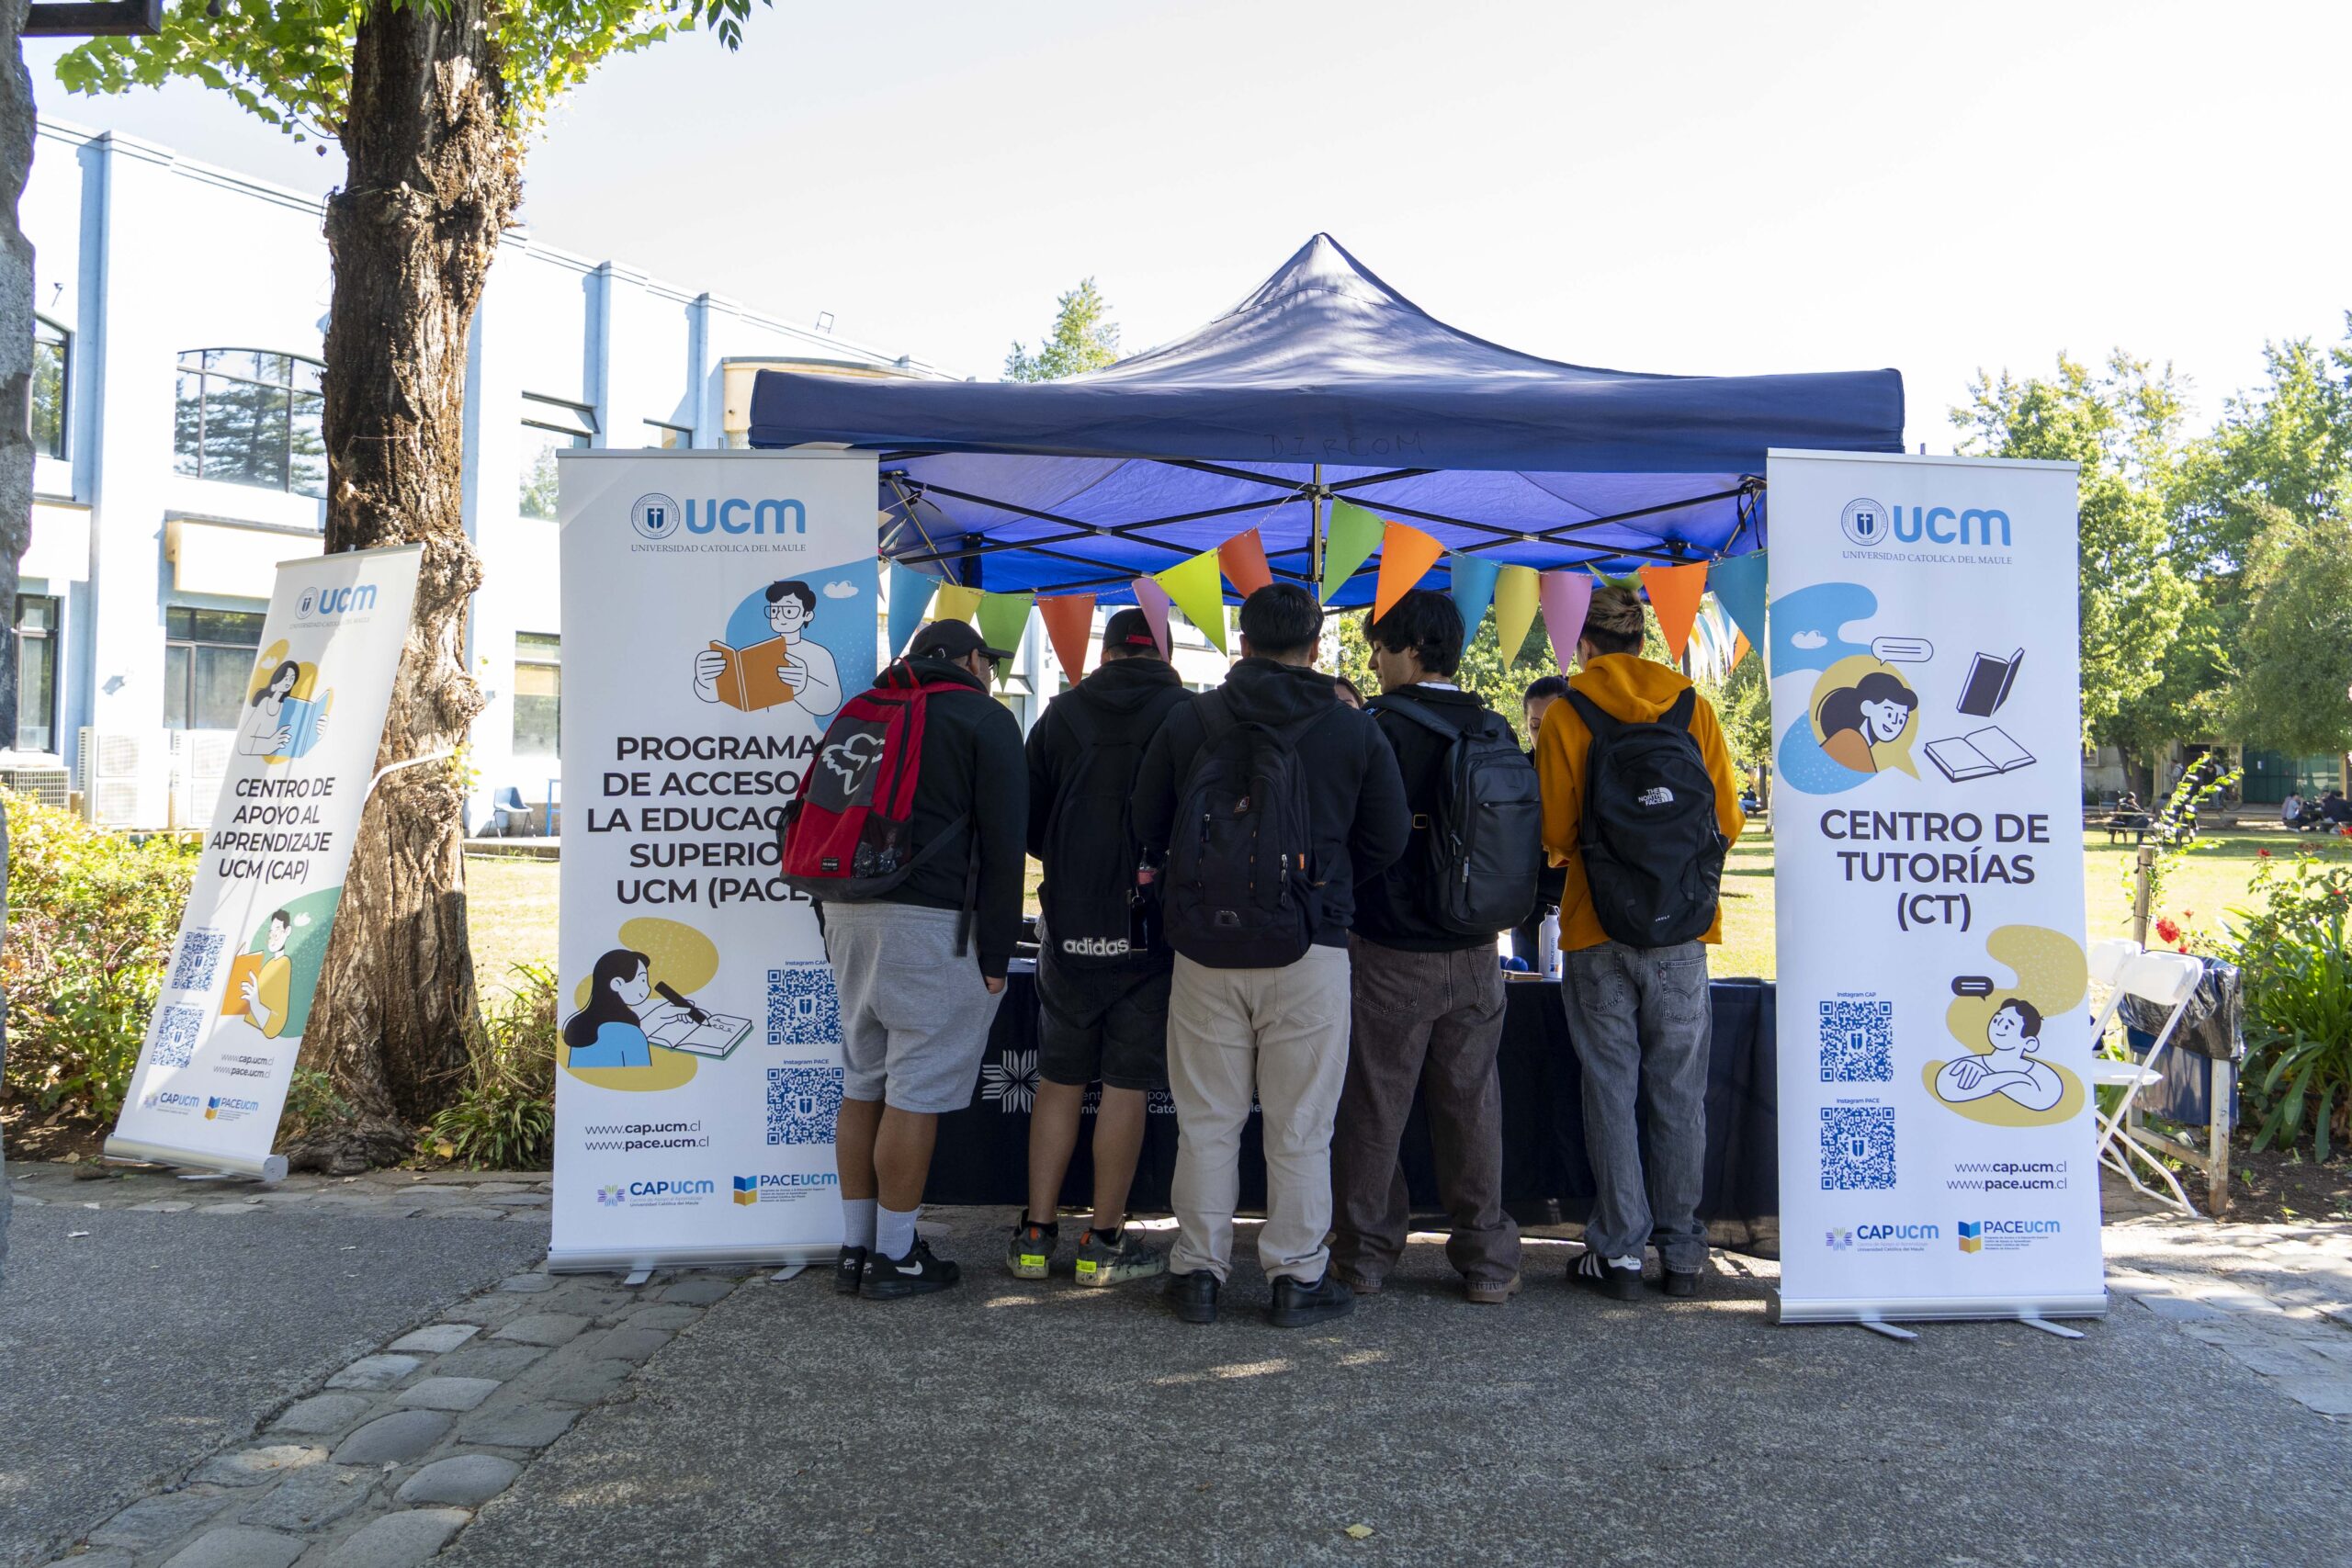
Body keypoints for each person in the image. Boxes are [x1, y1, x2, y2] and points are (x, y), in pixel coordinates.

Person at [1132, 582, 1408, 1328]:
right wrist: (1328, 885)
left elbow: (1144, 818)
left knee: (1208, 1120)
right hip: (1311, 945)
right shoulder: (1352, 728)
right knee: (1301, 1124)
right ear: (1316, 648)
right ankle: (1297, 1275)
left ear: (1242, 643)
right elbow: (1388, 835)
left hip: (1203, 949)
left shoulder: (1192, 719)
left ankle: (1197, 1270)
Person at [1535, 582, 1745, 1299]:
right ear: (1642, 638)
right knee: (1680, 1092)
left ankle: (1620, 1251)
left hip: (1597, 927)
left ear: (1582, 642)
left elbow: (1557, 834)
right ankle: (1684, 1252)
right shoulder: (1693, 707)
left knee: (1610, 1088)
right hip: (1684, 930)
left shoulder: (1567, 714)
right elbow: (1729, 819)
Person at [820, 620, 1025, 1300]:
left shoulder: (859, 710)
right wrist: (997, 953)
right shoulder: (984, 720)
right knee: (914, 1092)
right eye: (987, 662)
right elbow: (1004, 849)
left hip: (846, 914)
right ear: (971, 660)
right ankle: (897, 1255)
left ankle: (855, 1247)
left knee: (862, 1080)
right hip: (936, 927)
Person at [1330, 590, 1523, 1305]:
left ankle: (1366, 1254)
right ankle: (1489, 1261)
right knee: (1472, 1106)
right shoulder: (1494, 727)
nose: (1374, 662)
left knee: (1376, 1104)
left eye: (1380, 648)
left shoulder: (1376, 729)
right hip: (1480, 950)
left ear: (1411, 650)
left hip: (1390, 946)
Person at [1009, 607, 1192, 1287]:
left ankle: (1035, 1235)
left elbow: (1028, 826)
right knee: (1125, 1084)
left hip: (1069, 922)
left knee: (1058, 1078)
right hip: (1152, 930)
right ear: (1160, 653)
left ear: (1106, 652)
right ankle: (1104, 1241)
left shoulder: (1060, 714)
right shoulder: (1188, 715)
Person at [692, 578, 843, 717]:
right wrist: (706, 680)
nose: (780, 616)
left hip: (798, 735)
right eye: (774, 610)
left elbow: (831, 704)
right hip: (754, 732)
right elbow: (718, 697)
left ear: (808, 615)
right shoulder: (758, 652)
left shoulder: (820, 654)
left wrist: (803, 687)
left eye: (789, 611)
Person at [1511, 675, 1572, 969]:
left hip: (1580, 916)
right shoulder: (1517, 774)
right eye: (1536, 726)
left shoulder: (1590, 770)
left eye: (1554, 723)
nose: (1544, 734)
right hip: (1528, 918)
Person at [1934, 998, 2062, 1112]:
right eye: (1996, 1020)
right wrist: (2020, 1079)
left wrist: (1987, 1078)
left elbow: (2043, 1100)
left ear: (2029, 1043)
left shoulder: (2043, 1074)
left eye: (2007, 1026)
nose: (1998, 1027)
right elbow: (1946, 1089)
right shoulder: (1972, 1064)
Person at [1814, 671, 1917, 774]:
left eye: (1901, 720)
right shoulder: (1850, 738)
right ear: (1867, 708)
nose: (1894, 723)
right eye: (1889, 714)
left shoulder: (1864, 743)